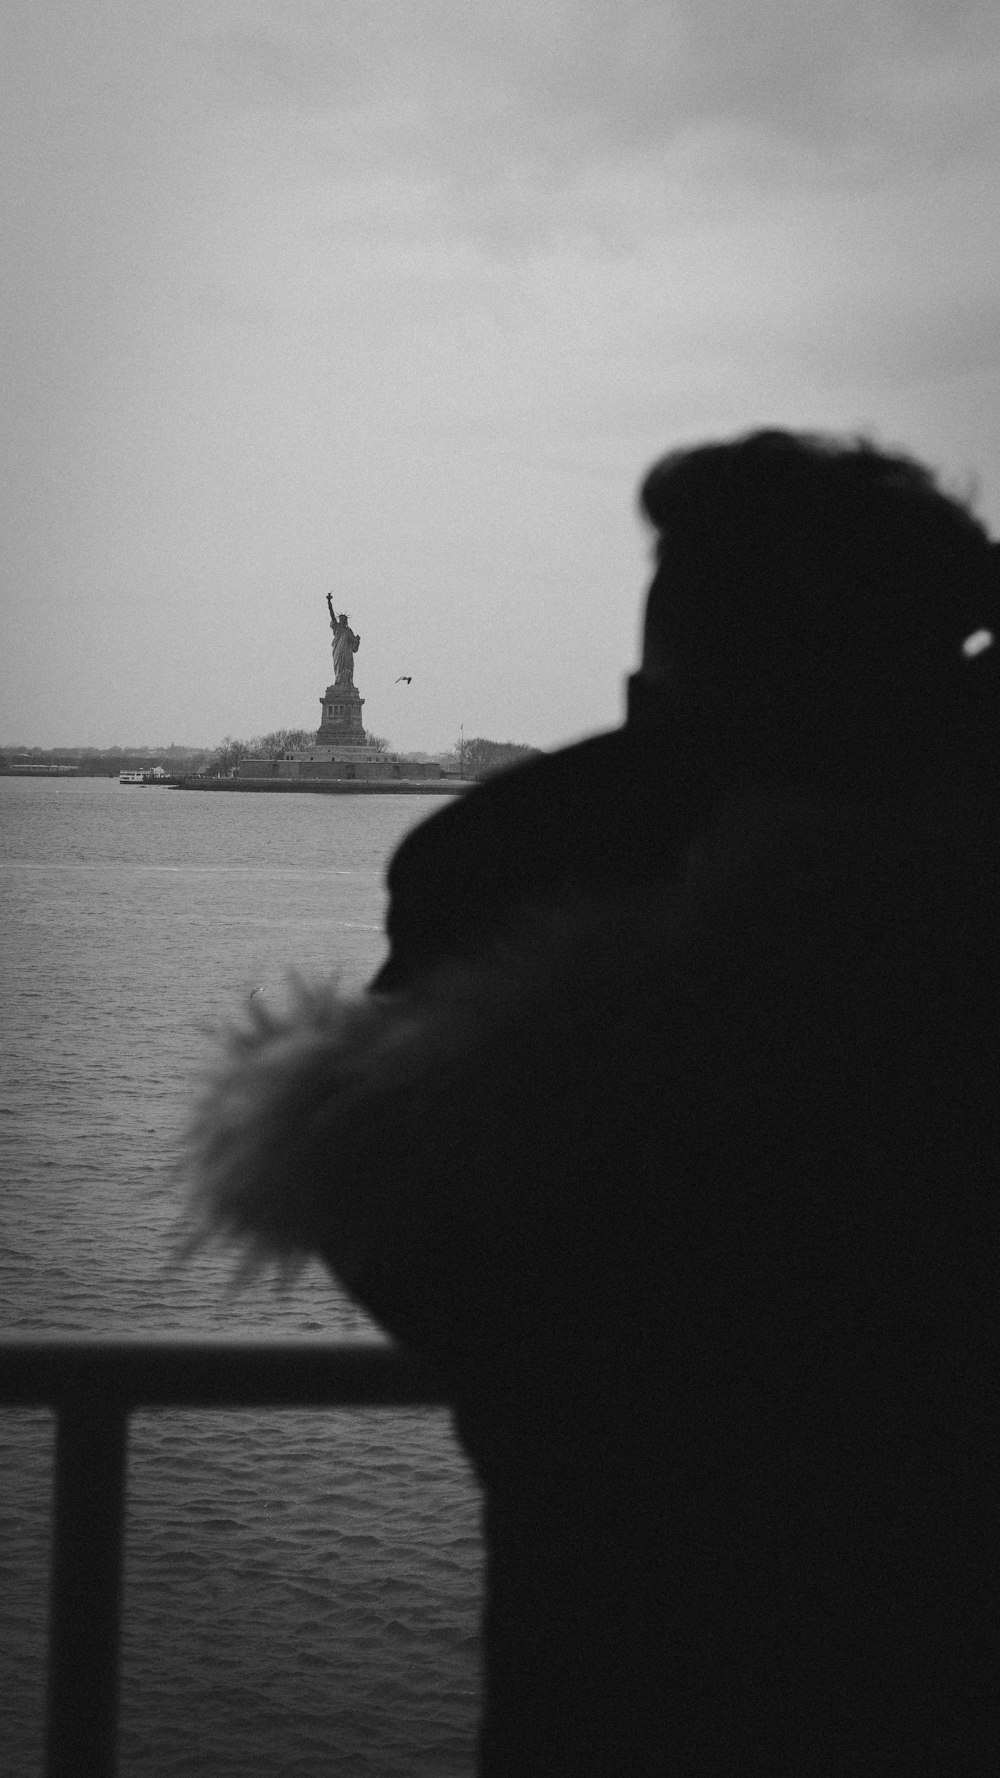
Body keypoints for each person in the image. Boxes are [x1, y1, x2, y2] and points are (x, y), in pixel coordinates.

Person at [189, 430, 1000, 1772]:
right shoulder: (933, 965)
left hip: (615, 1684)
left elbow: (415, 1244)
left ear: (669, 662)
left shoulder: (534, 928)